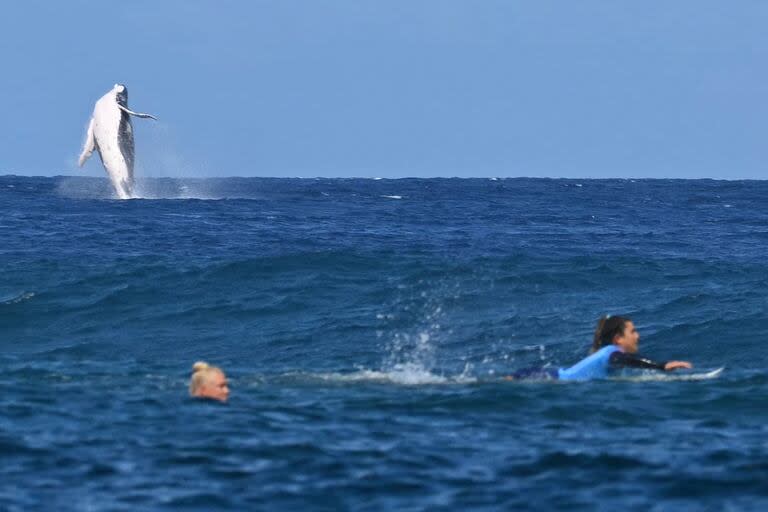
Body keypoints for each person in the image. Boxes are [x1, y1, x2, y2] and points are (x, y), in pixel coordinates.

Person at [506, 315, 692, 381]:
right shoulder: (613, 353)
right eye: (633, 331)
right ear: (618, 339)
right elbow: (626, 360)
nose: (638, 336)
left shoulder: (607, 353)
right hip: (546, 378)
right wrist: (662, 366)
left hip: (547, 375)